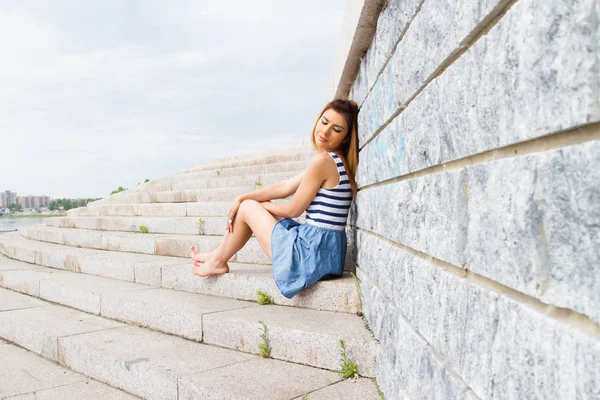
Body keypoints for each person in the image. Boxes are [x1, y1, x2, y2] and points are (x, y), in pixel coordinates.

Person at [189, 98, 359, 298]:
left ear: (346, 138)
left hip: (309, 255)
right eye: (324, 122)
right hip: (328, 254)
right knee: (248, 205)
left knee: (247, 209)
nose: (325, 131)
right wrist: (244, 197)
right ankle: (215, 255)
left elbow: (293, 211)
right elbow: (286, 186)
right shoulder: (337, 162)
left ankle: (217, 261)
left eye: (336, 129)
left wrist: (257, 205)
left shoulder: (323, 161)